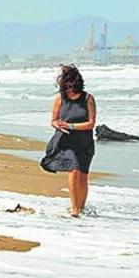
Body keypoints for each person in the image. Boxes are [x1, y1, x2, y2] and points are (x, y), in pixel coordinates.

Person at [40, 65, 97, 217]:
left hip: (84, 142)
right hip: (65, 141)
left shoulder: (88, 99)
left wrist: (70, 125)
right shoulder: (60, 98)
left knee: (83, 176)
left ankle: (81, 207)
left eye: (71, 85)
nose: (68, 88)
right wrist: (57, 125)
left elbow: (91, 123)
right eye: (65, 85)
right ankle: (75, 209)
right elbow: (53, 120)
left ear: (77, 83)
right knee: (74, 170)